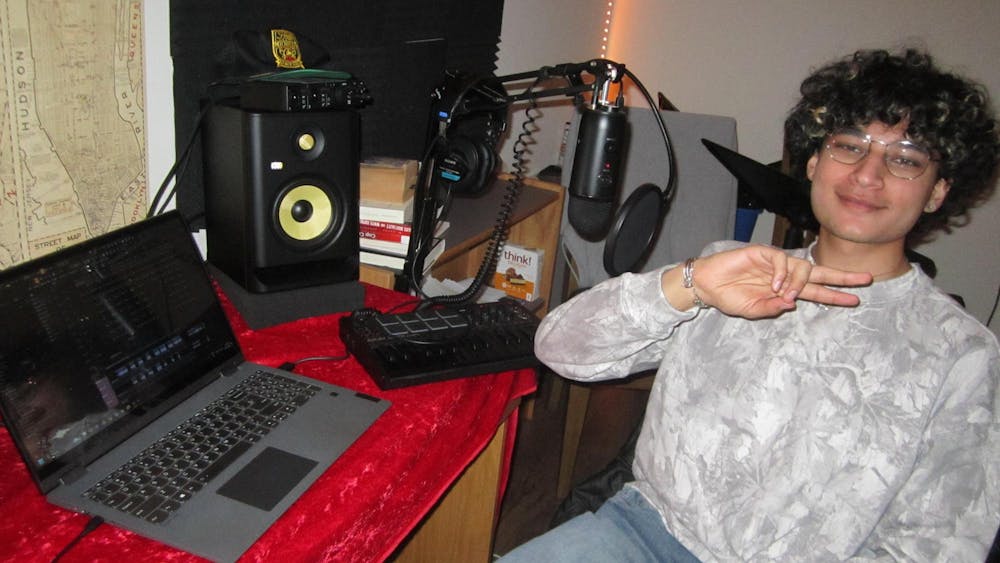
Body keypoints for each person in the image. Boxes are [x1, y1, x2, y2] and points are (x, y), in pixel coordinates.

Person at [500, 48, 1000, 561]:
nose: (868, 174)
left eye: (905, 158)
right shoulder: (729, 269)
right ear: (813, 161)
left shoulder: (962, 353)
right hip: (637, 534)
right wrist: (687, 284)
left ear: (938, 190)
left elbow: (940, 544)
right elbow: (559, 347)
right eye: (850, 145)